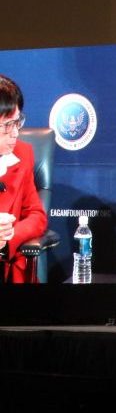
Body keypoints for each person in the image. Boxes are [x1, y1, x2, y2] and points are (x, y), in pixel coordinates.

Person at [0, 74, 47, 283]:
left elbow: (37, 215)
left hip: (7, 266)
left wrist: (10, 236)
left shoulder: (23, 153)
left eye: (17, 122)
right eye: (7, 125)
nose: (15, 132)